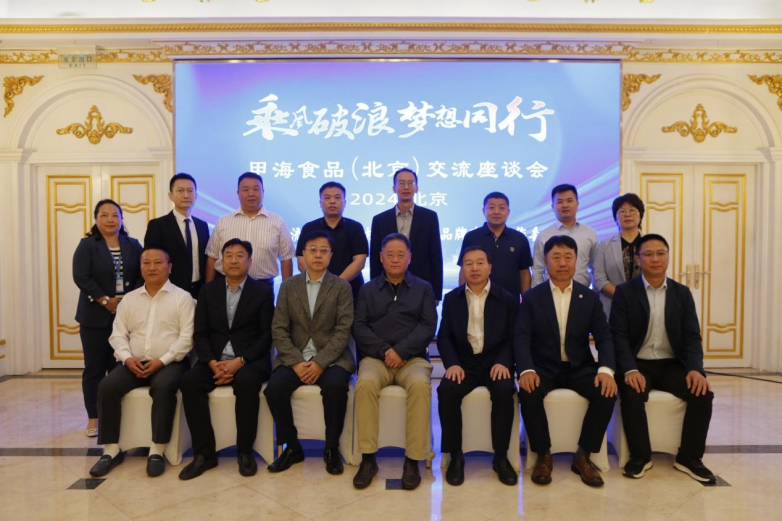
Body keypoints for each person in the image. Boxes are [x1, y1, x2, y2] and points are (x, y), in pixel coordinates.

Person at [611, 234, 716, 483]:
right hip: (638, 364)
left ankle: (689, 458)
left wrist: (695, 369)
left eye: (660, 253)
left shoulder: (682, 293)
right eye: (648, 254)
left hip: (672, 365)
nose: (655, 259)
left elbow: (692, 337)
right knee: (632, 393)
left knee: (702, 393)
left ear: (668, 257)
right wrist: (629, 370)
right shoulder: (625, 293)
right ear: (639, 260)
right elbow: (618, 336)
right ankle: (640, 456)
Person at [515, 235, 617, 487]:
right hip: (543, 367)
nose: (562, 263)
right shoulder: (532, 298)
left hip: (580, 367)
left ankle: (583, 455)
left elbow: (604, 336)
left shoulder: (589, 297)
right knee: (528, 392)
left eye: (568, 257)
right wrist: (526, 369)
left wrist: (606, 370)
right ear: (545, 261)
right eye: (556, 257)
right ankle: (543, 455)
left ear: (576, 260)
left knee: (606, 392)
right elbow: (521, 337)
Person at [89, 247, 194, 477]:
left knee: (163, 387)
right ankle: (111, 450)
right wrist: (127, 359)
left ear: (169, 267)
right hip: (133, 362)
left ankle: (157, 450)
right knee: (107, 386)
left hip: (171, 363)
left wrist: (162, 361)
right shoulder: (129, 299)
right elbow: (117, 335)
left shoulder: (182, 298)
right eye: (146, 263)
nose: (152, 267)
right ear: (141, 267)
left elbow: (187, 338)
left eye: (158, 262)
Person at [179, 239, 274, 480]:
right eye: (228, 255)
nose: (233, 260)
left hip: (250, 361)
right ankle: (205, 454)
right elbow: (200, 333)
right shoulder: (208, 291)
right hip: (214, 359)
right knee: (190, 382)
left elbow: (266, 336)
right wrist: (212, 363)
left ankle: (245, 451)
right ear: (221, 261)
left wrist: (240, 361)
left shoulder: (262, 292)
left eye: (240, 255)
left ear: (249, 261)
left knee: (247, 382)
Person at [266, 230, 355, 475]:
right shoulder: (288, 286)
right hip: (295, 356)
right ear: (303, 254)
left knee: (336, 387)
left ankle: (331, 448)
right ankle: (292, 447)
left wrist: (320, 362)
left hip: (331, 358)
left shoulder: (341, 287)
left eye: (323, 251)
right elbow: (279, 328)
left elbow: (343, 330)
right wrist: (296, 361)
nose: (317, 255)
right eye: (312, 250)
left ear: (331, 255)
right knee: (274, 388)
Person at [353, 233, 437, 490]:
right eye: (390, 254)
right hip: (376, 359)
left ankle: (413, 460)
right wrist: (385, 351)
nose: (395, 259)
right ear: (381, 257)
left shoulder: (423, 288)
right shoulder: (367, 289)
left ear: (409, 257)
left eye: (401, 254)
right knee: (365, 383)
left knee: (421, 385)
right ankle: (368, 459)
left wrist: (400, 351)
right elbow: (359, 326)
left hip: (412, 359)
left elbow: (428, 326)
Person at [437, 246, 518, 486]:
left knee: (504, 391)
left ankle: (501, 457)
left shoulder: (506, 299)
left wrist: (504, 361)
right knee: (446, 390)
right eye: (468, 263)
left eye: (480, 263)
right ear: (462, 268)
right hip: (464, 364)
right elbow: (444, 336)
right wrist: (452, 364)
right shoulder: (452, 299)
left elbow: (514, 336)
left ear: (489, 267)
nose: (474, 268)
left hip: (495, 363)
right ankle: (456, 456)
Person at [73, 199, 143, 438]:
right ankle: (94, 417)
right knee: (94, 368)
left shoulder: (133, 245)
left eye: (115, 215)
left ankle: (118, 415)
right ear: (96, 219)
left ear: (122, 219)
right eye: (104, 215)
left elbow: (143, 274)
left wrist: (127, 300)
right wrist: (105, 300)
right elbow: (81, 277)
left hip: (126, 315)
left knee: (120, 368)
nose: (110, 219)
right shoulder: (87, 245)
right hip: (95, 317)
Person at [204, 172, 295, 289]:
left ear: (263, 192)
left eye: (256, 189)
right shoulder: (223, 221)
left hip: (263, 287)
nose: (251, 194)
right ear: (238, 193)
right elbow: (212, 257)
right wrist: (207, 289)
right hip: (225, 285)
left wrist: (286, 293)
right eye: (246, 190)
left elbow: (286, 259)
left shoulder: (277, 222)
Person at [369, 168, 444, 301]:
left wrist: (436, 294)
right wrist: (374, 290)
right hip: (388, 286)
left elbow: (436, 256)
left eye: (410, 183)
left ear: (416, 188)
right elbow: (375, 258)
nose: (406, 187)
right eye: (401, 183)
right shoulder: (380, 220)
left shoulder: (429, 217)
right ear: (394, 188)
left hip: (422, 285)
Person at [296, 182, 368, 300]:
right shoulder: (309, 228)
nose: (332, 201)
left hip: (350, 289)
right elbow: (301, 261)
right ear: (320, 203)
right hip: (315, 289)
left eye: (337, 197)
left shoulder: (355, 227)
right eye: (327, 198)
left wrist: (337, 285)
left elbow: (359, 261)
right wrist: (319, 282)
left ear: (345, 202)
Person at [144, 173, 210, 299]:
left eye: (190, 191)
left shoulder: (202, 226)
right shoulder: (157, 225)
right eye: (180, 191)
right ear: (171, 195)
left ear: (196, 196)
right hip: (169, 291)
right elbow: (150, 260)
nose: (186, 195)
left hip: (199, 290)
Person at [458, 192, 532, 299]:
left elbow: (524, 273)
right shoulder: (471, 237)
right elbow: (464, 270)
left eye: (501, 208)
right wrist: (461, 298)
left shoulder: (519, 238)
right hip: (477, 300)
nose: (496, 212)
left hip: (510, 301)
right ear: (483, 211)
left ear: (508, 212)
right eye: (491, 207)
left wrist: (526, 301)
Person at [531, 184, 598, 289]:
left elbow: (596, 269)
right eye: (560, 202)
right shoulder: (543, 236)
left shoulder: (590, 233)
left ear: (577, 204)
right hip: (551, 294)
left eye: (569, 201)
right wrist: (539, 296)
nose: (565, 205)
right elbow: (537, 272)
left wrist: (594, 294)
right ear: (553, 207)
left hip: (582, 293)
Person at [593, 193, 645, 317]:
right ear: (615, 218)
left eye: (632, 210)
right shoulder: (604, 246)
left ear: (640, 216)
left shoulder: (650, 244)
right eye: (622, 211)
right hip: (612, 306)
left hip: (644, 305)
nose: (627, 214)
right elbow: (599, 279)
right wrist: (623, 297)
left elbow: (658, 274)